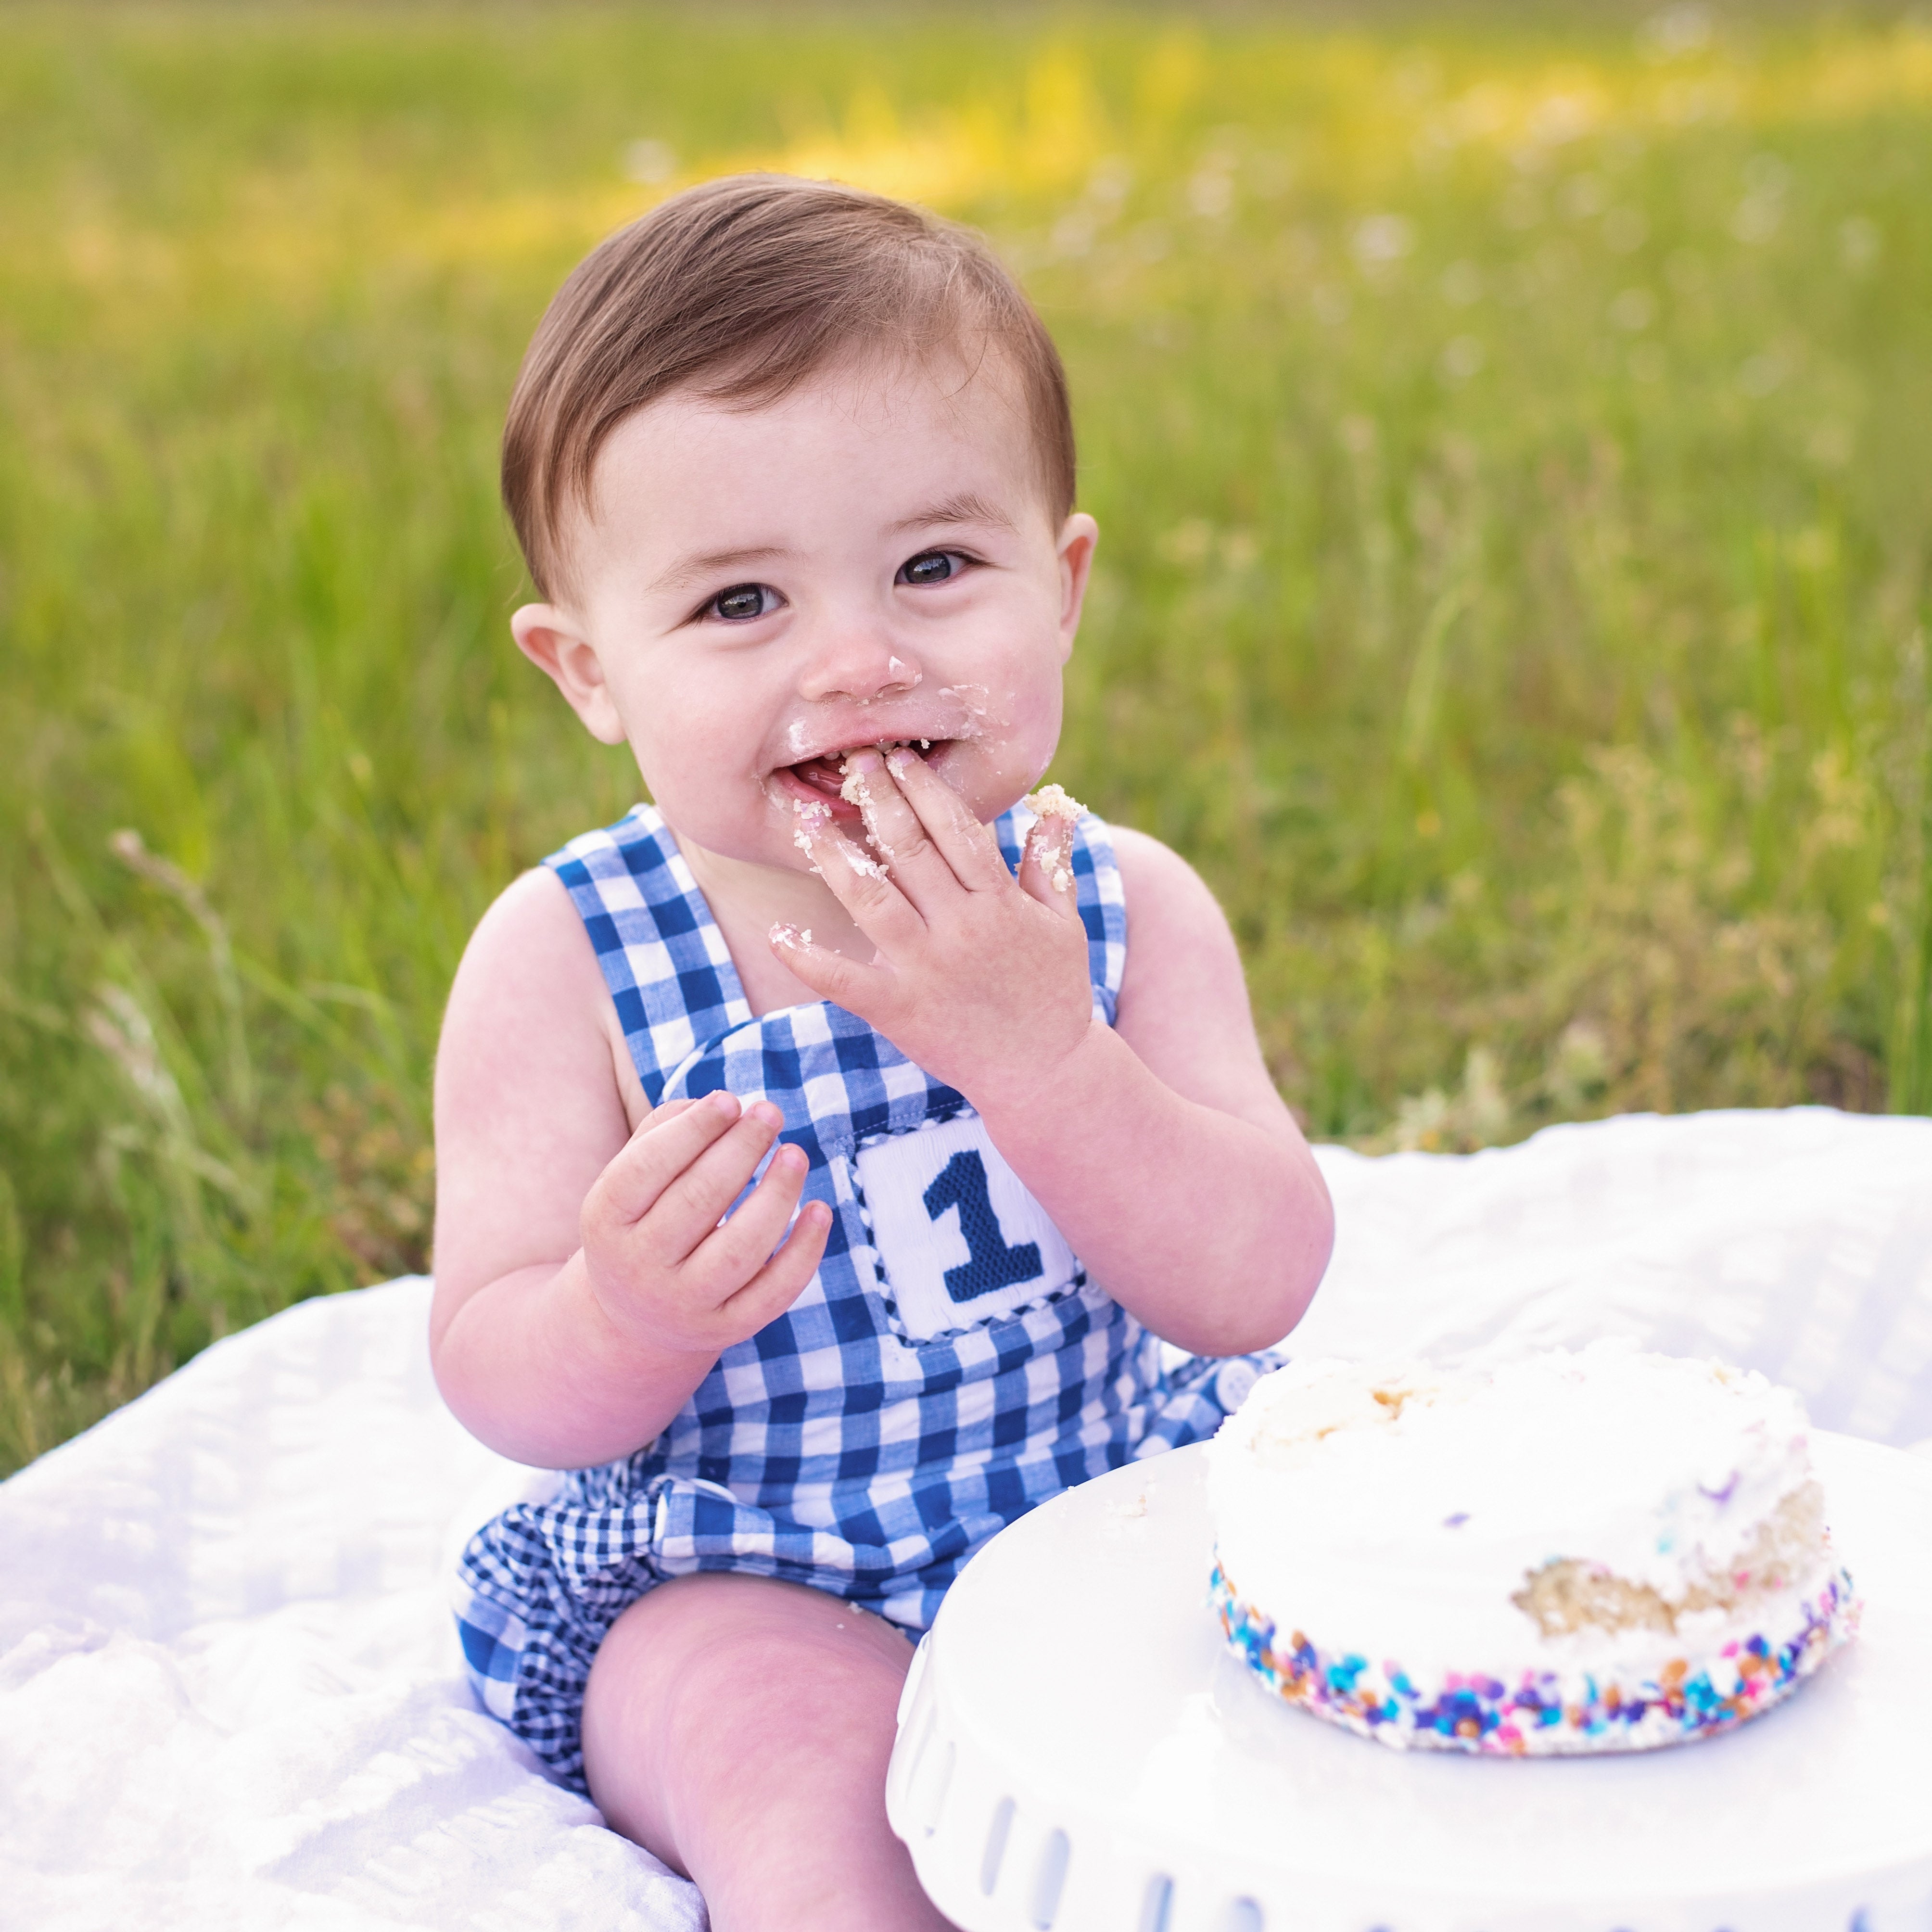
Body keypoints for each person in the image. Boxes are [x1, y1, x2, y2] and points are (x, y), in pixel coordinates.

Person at [432, 174, 1334, 1929]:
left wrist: (1049, 1054)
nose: (857, 660)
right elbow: (492, 1369)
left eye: (935, 567)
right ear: (588, 669)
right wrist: (619, 1315)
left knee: (1326, 1723)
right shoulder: (569, 963)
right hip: (746, 1568)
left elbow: (1258, 1282)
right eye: (739, 606)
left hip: (1113, 1507)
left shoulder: (1122, 909)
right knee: (794, 1764)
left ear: (1060, 586)